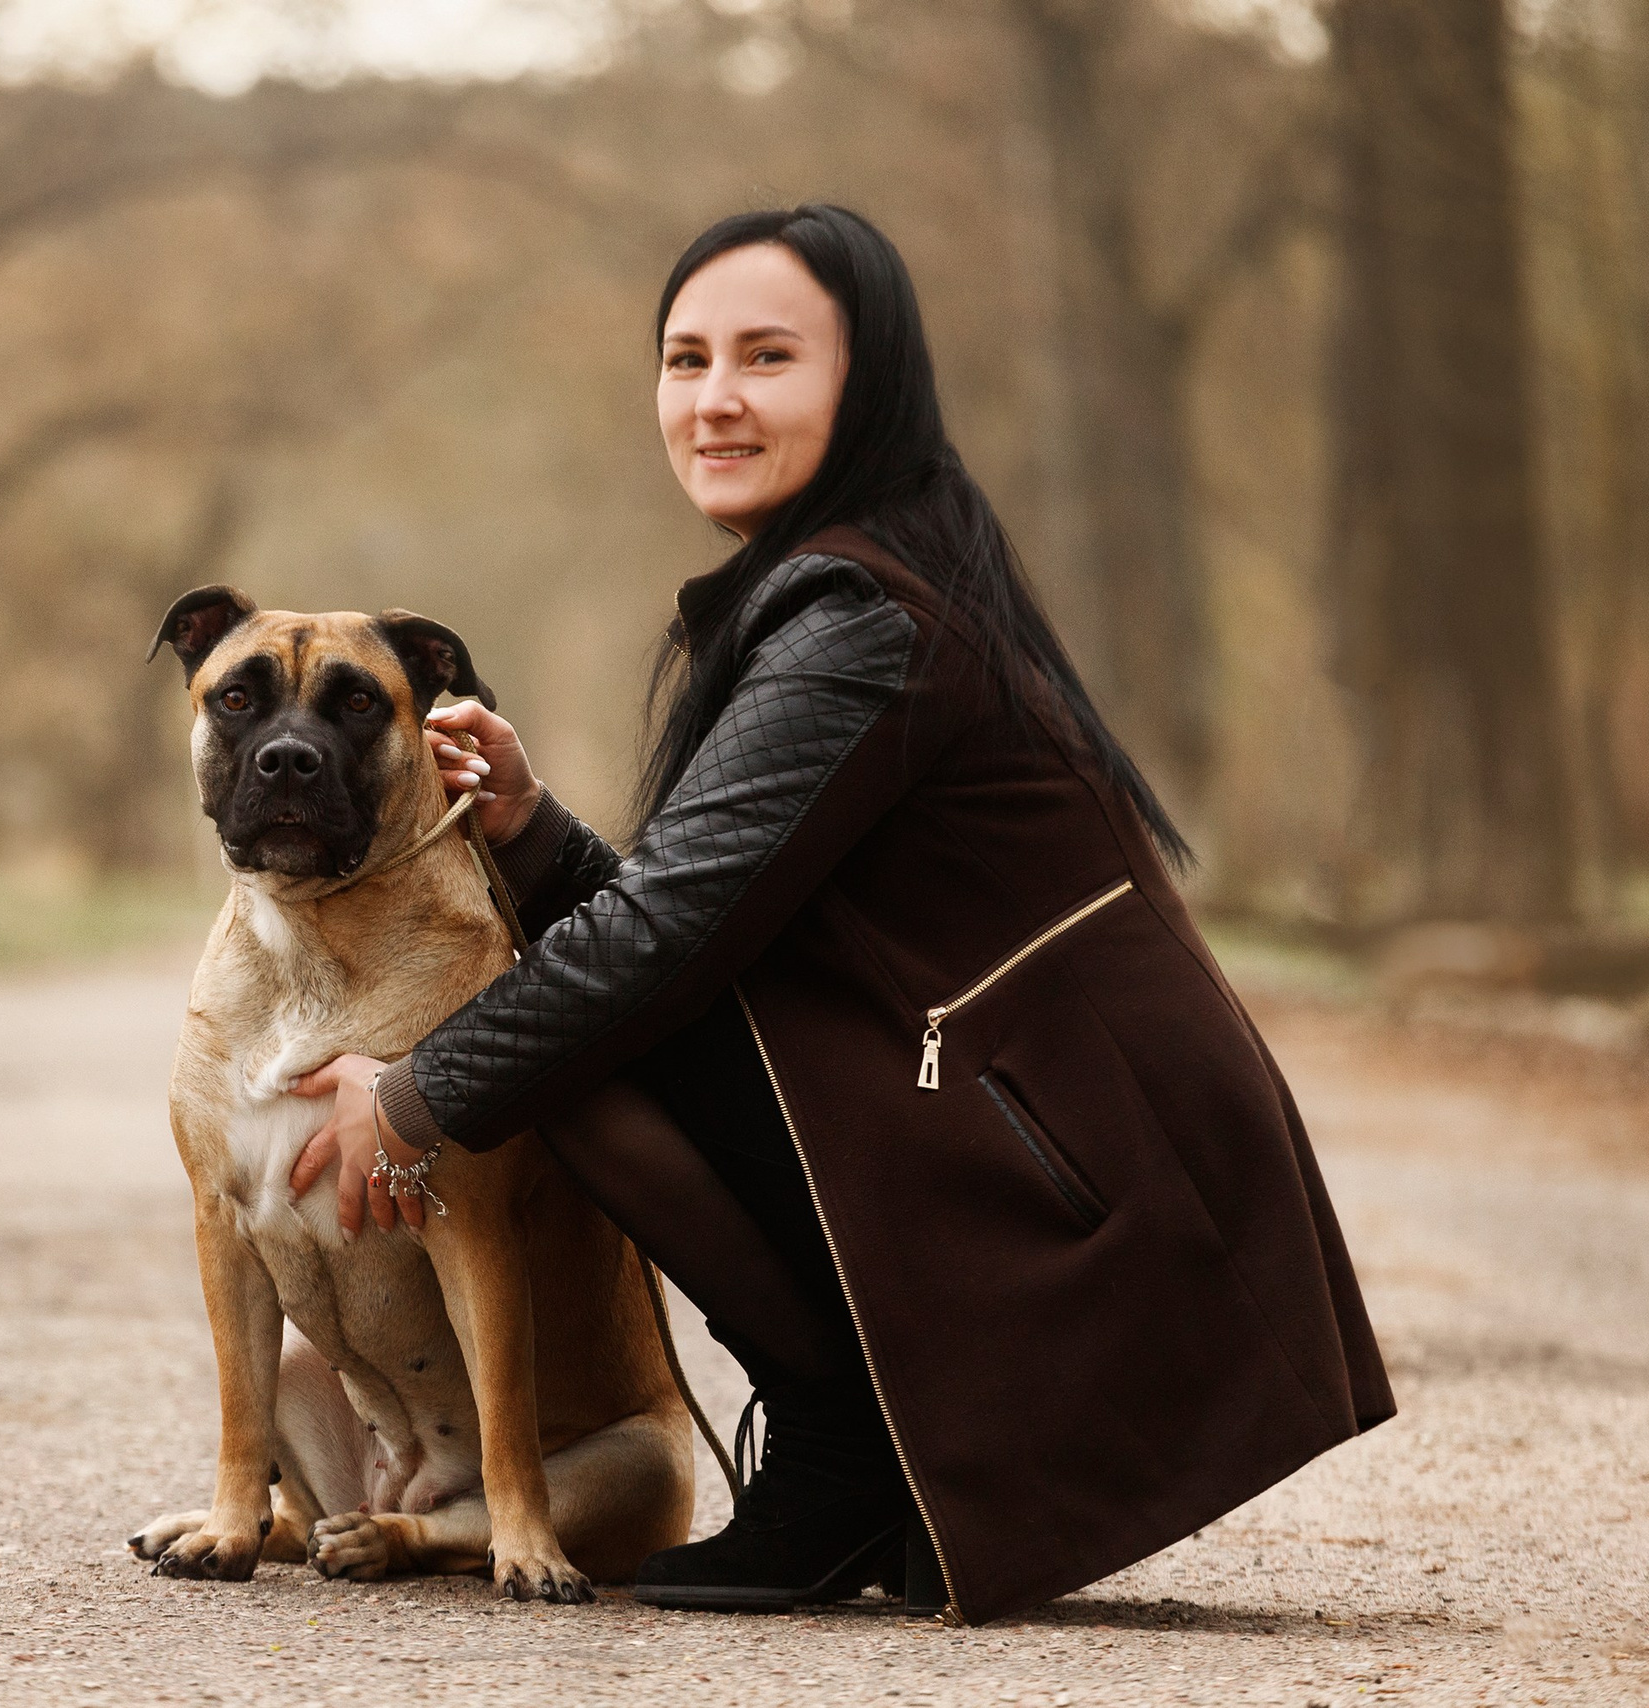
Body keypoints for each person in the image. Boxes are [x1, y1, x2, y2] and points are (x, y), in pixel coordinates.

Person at [284, 204, 1394, 1623]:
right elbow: (717, 917)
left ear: (866, 382)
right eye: (686, 360)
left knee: (559, 1049)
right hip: (1049, 1140)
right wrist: (534, 831)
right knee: (578, 1009)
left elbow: (672, 942)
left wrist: (420, 1095)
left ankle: (843, 1453)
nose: (715, 399)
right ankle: (850, 1448)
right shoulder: (853, 581)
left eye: (767, 356)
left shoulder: (861, 616)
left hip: (1095, 1197)